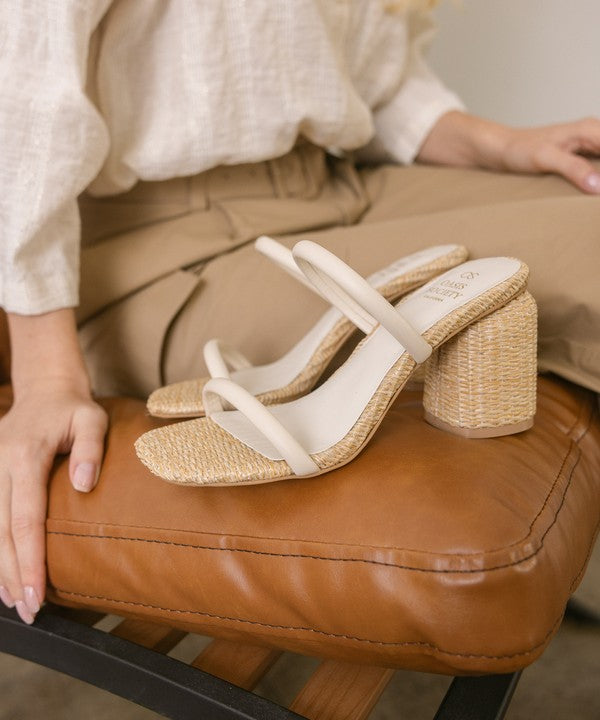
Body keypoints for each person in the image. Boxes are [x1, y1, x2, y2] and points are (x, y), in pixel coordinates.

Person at [1, 0, 599, 626]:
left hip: (342, 183)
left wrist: (499, 143)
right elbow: (22, 108)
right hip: (165, 244)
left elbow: (372, 77)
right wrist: (43, 380)